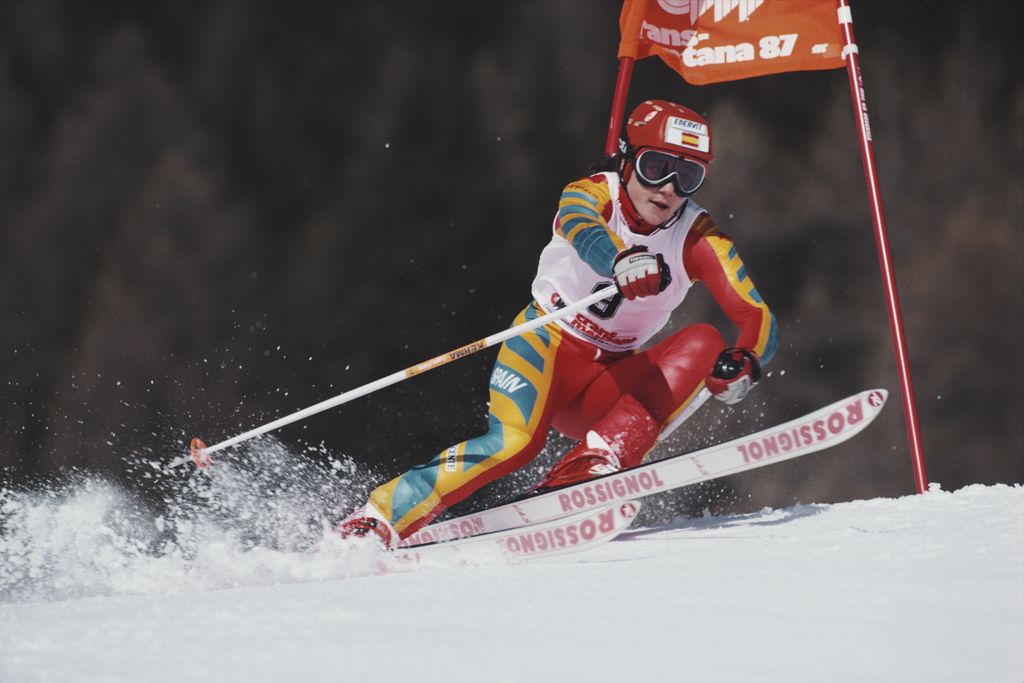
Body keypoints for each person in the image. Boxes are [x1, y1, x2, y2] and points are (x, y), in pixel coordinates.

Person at [337, 100, 778, 548]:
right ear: (627, 159)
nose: (667, 188)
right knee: (514, 443)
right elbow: (580, 226)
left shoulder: (698, 236)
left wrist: (748, 358)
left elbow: (756, 315)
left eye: (687, 177)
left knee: (704, 341)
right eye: (655, 166)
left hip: (605, 381)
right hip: (544, 345)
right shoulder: (590, 192)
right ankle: (378, 518)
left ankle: (594, 463)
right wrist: (620, 260)